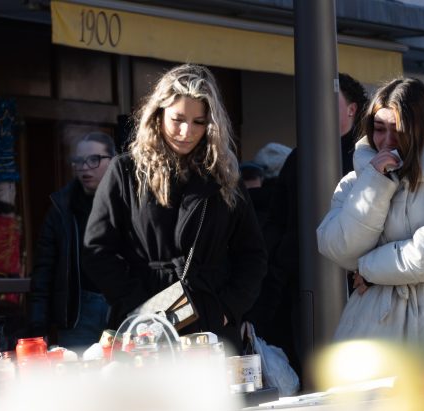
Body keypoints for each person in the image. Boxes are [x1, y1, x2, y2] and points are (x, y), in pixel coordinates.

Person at [82, 64, 267, 349]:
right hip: (145, 322)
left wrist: (228, 308)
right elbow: (97, 250)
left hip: (210, 319)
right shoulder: (126, 170)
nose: (186, 131)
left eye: (199, 122)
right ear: (158, 114)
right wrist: (136, 304)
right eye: (177, 119)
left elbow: (252, 254)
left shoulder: (225, 175)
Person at [317, 77, 424, 342]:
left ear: (420, 127)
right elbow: (338, 246)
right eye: (379, 128)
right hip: (375, 328)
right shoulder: (358, 179)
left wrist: (370, 270)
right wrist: (376, 181)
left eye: (398, 129)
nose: (387, 141)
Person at [247, 73, 368, 374]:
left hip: (354, 283)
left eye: (330, 102)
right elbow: (278, 221)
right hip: (297, 284)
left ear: (352, 109)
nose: (319, 109)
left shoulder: (366, 157)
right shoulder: (300, 157)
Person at [26, 131, 116, 348]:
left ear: (112, 160)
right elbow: (44, 270)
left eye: (93, 160)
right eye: (78, 161)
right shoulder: (62, 207)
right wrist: (38, 326)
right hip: (79, 309)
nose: (84, 167)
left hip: (121, 305)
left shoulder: (129, 201)